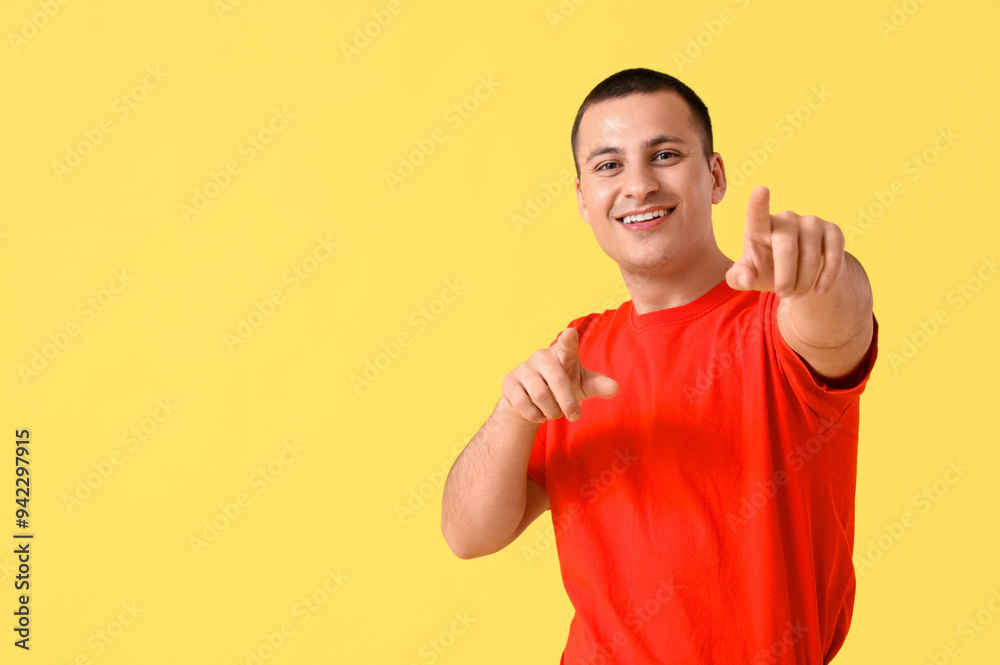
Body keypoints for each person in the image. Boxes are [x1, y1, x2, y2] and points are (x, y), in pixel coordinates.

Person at [440, 67, 878, 664]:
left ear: (715, 175)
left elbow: (841, 321)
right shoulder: (577, 351)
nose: (638, 185)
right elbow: (467, 535)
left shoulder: (777, 324)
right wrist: (514, 414)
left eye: (665, 154)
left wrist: (824, 274)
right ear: (581, 199)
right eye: (608, 165)